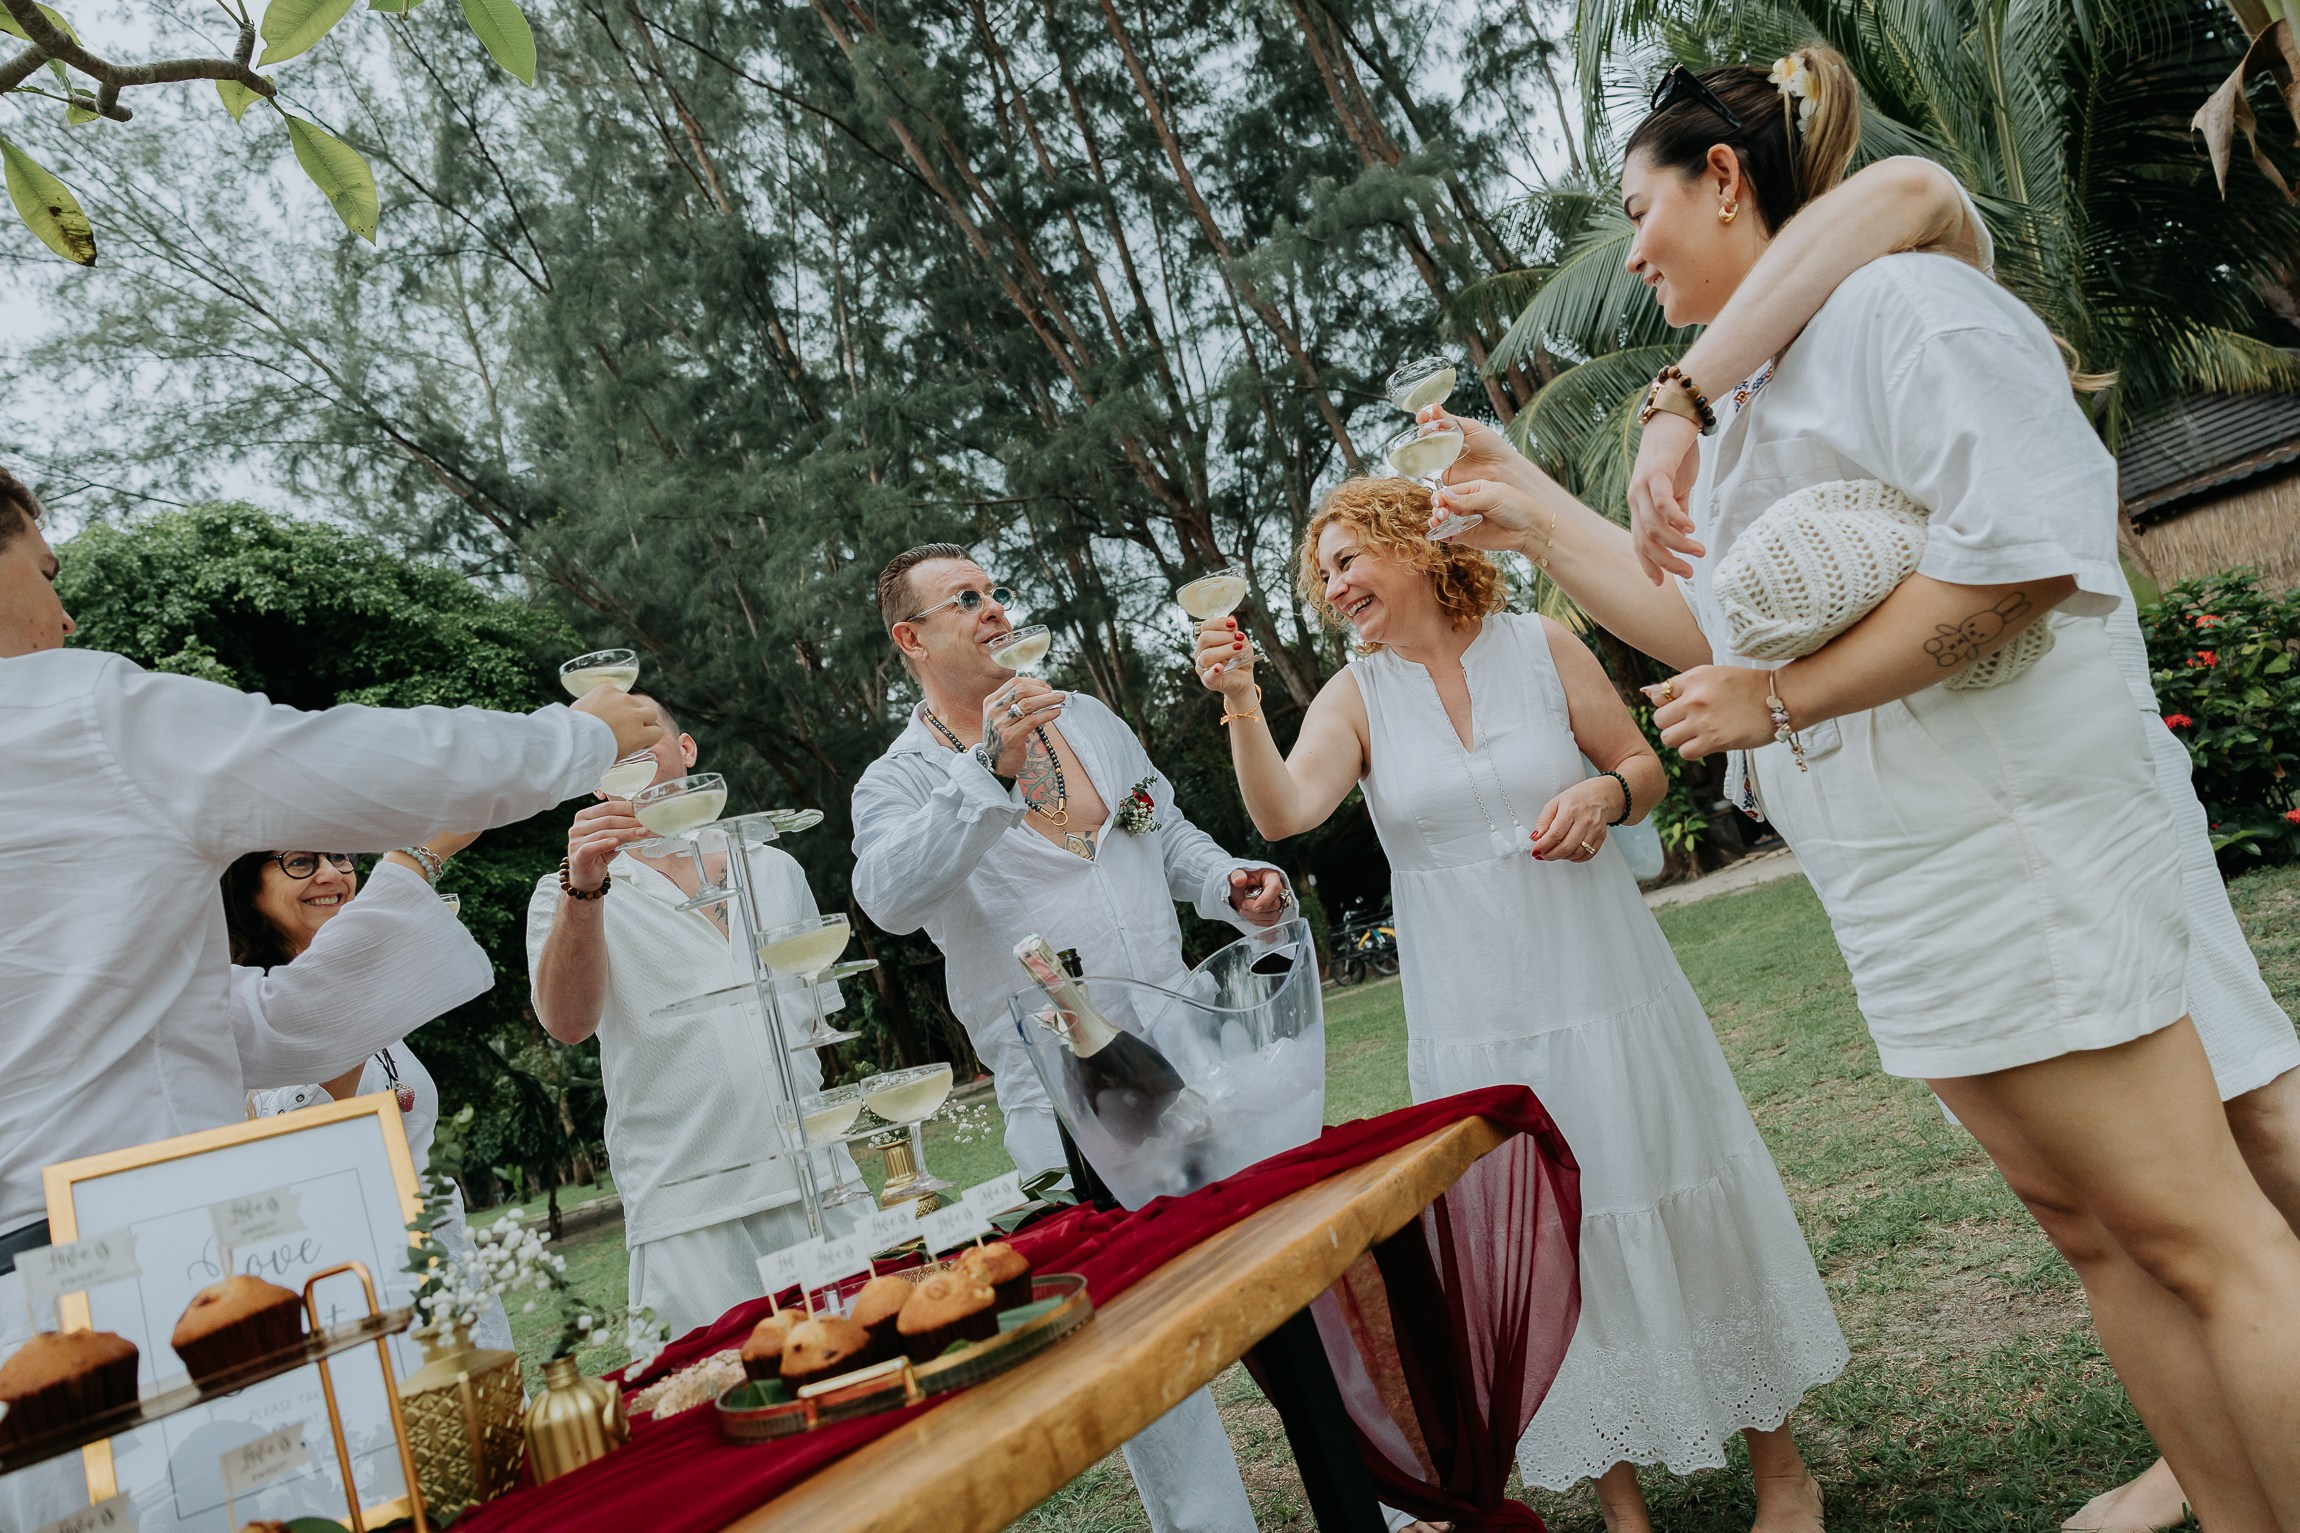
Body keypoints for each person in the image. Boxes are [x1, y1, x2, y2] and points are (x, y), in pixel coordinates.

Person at [1421, 48, 2300, 1529]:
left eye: (1642, 207)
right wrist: (1528, 509)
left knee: (2207, 1233)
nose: (1628, 252)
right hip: (1906, 882)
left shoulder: (1899, 299)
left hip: (2023, 849)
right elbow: (1702, 621)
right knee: (2097, 1238)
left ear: (1725, 176)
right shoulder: (1754, 403)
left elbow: (2022, 555)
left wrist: (1776, 684)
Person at [0, 468, 658, 1527]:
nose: (65, 611)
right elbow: (351, 760)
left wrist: (407, 882)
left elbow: (251, 1030)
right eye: (44, 570)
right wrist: (579, 740)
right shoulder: (75, 713)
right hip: (137, 1287)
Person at [1195, 478, 1846, 1532]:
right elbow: (1283, 811)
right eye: (1320, 574)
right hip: (1475, 1017)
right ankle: (1620, 1507)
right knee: (1537, 1237)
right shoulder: (1352, 697)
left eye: (1347, 558)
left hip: (1607, 983)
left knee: (1668, 1175)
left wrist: (1603, 794)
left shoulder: (1538, 642)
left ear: (1413, 546)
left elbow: (1641, 767)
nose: (1333, 585)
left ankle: (1783, 1472)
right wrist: (1237, 708)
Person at [851, 544, 1286, 1533]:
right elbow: (885, 898)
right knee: (1140, 1349)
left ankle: (1382, 1511)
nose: (994, 610)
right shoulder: (898, 783)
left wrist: (1228, 887)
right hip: (1062, 1100)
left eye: (996, 591)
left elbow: (1161, 831)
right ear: (910, 638)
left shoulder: (1083, 715)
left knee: (1282, 1284)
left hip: (1193, 1047)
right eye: (966, 601)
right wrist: (985, 770)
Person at [528, 695, 867, 1338]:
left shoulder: (772, 865)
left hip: (819, 1179)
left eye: (645, 728)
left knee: (880, 1366)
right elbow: (568, 1025)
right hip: (686, 1206)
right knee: (724, 1402)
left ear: (687, 751)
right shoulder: (563, 894)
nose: (629, 742)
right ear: (593, 779)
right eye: (606, 741)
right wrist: (585, 889)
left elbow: (814, 1023)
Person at [232, 835, 517, 1352]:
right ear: (249, 891)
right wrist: (425, 852)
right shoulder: (255, 1018)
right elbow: (307, 1143)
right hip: (350, 1274)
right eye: (301, 862)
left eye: (339, 856)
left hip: (443, 1256)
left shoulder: (367, 1004)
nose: (331, 874)